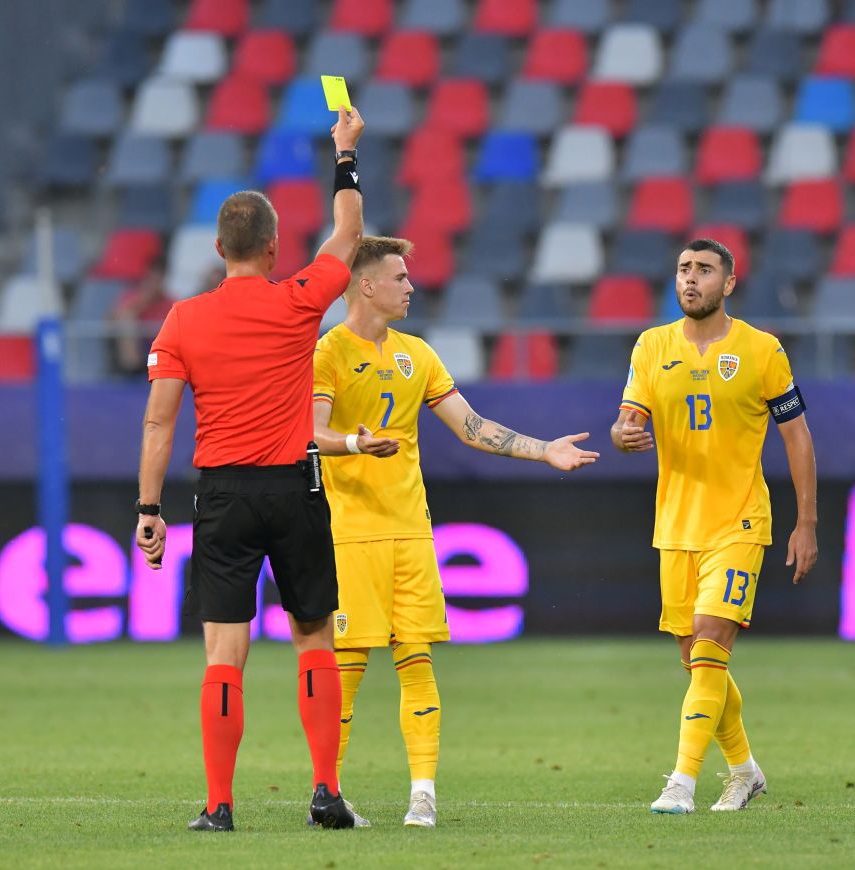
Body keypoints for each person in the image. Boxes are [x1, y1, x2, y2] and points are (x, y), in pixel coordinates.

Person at [310, 235, 600, 827]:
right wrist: (356, 444)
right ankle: (327, 795)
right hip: (350, 532)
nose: (410, 286)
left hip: (411, 531)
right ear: (366, 284)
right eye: (399, 277)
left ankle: (423, 795)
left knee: (417, 659)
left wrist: (544, 449)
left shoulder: (417, 354)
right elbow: (310, 433)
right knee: (348, 667)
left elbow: (471, 426)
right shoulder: (327, 352)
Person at [135, 107, 366, 832]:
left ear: (217, 248)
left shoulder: (182, 320)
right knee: (314, 638)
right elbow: (349, 236)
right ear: (273, 247)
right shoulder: (298, 302)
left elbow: (159, 422)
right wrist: (345, 154)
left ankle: (219, 805)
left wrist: (149, 510)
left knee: (224, 652)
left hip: (224, 494)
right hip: (294, 486)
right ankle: (325, 793)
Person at [610, 238, 818, 815]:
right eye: (684, 268)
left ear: (728, 283)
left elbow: (797, 436)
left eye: (704, 270)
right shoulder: (652, 345)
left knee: (708, 645)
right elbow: (627, 421)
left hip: (739, 521)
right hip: (676, 525)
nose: (691, 278)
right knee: (699, 661)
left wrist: (806, 522)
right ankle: (745, 771)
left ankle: (681, 782)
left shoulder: (762, 350)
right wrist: (622, 436)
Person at [111, 263, 174, 376]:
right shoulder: (131, 297)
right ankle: (132, 370)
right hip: (139, 347)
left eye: (157, 280)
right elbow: (114, 318)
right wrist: (144, 300)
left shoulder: (170, 301)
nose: (154, 283)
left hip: (161, 350)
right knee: (126, 320)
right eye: (151, 279)